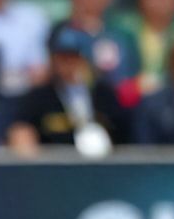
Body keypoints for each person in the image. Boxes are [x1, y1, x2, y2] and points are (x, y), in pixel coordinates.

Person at [7, 26, 126, 154]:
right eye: (63, 58)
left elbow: (124, 133)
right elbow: (21, 132)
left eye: (74, 58)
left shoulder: (104, 95)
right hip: (55, 162)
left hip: (102, 162)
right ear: (53, 60)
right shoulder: (38, 98)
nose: (69, 65)